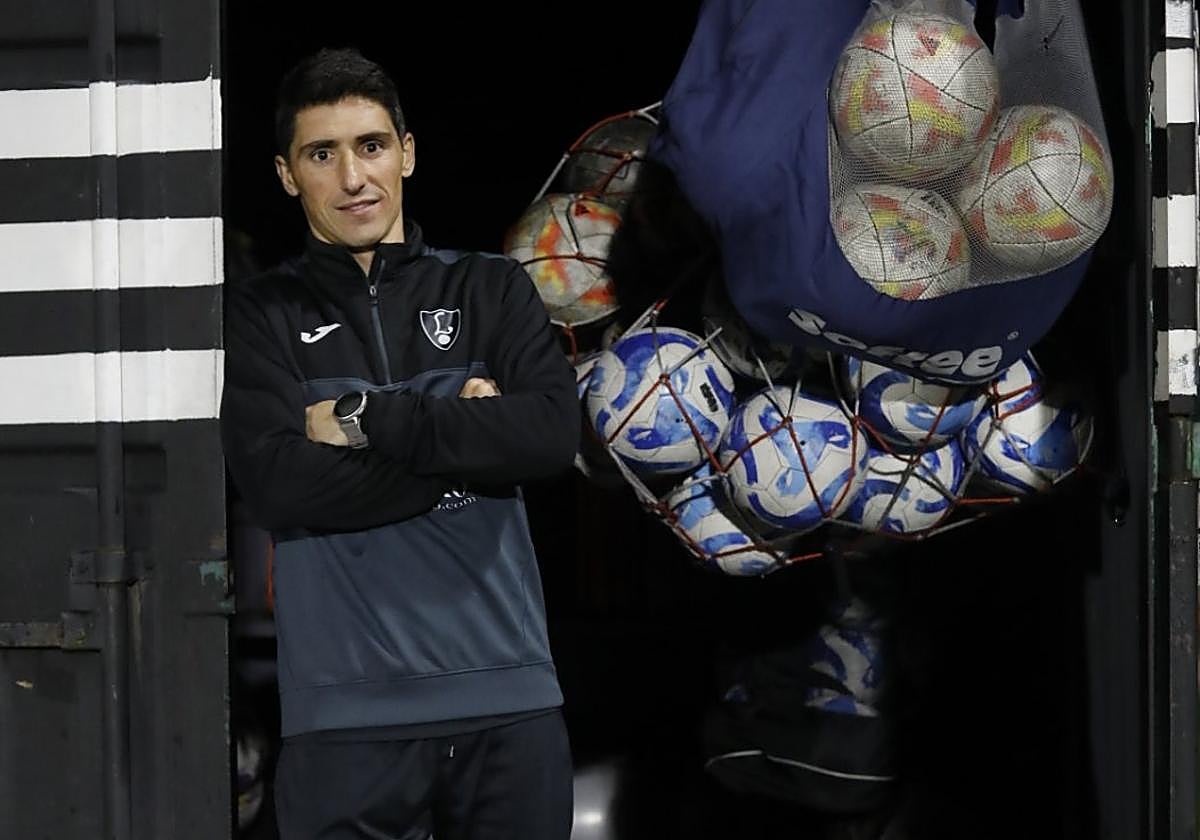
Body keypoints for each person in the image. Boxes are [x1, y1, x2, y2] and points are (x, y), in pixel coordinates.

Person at [220, 47, 579, 840]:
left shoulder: (490, 289)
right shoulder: (261, 315)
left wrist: (368, 419)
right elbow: (280, 484)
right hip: (343, 724)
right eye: (323, 154)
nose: (354, 179)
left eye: (371, 146)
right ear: (287, 174)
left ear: (407, 154)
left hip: (509, 710)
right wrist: (458, 442)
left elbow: (549, 437)